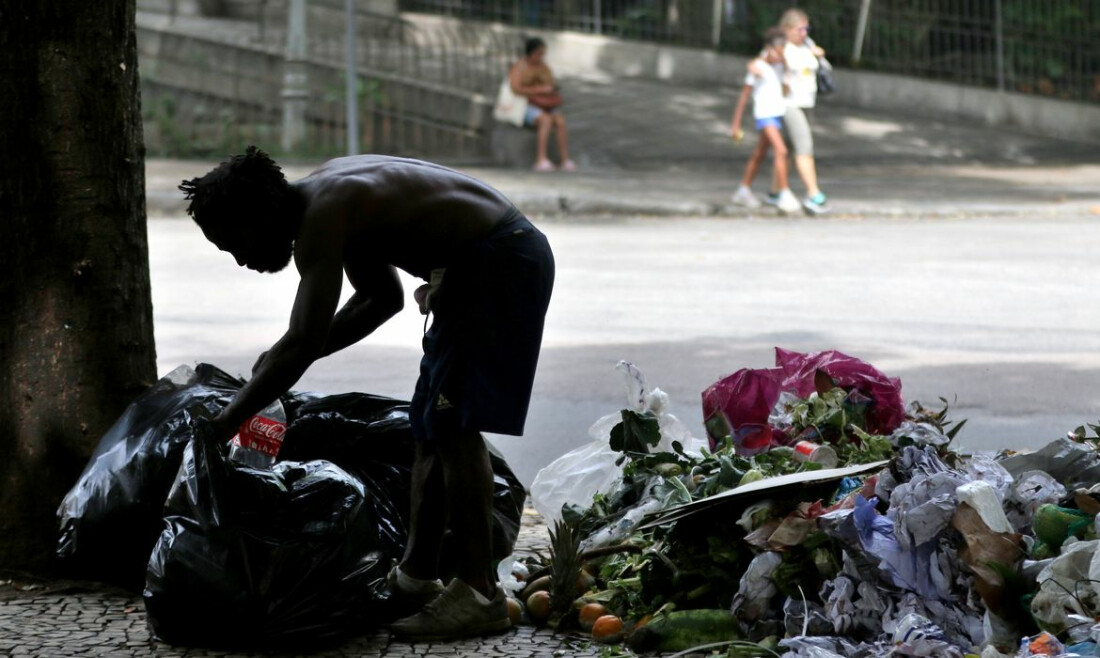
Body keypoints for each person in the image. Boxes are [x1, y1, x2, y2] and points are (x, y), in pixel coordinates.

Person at [179, 147, 555, 641]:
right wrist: (278, 362)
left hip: (499, 261)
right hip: (480, 264)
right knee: (430, 427)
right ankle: (416, 578)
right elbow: (381, 300)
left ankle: (480, 593)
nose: (241, 259)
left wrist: (227, 420)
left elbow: (305, 337)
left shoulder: (324, 213)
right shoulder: (332, 200)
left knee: (454, 426)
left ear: (258, 214)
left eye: (234, 242)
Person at [729, 28, 802, 214]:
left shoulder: (779, 67)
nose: (781, 53)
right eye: (778, 49)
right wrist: (736, 124)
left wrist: (785, 67)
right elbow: (744, 96)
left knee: (759, 153)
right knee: (781, 150)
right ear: (769, 48)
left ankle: (743, 190)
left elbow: (786, 91)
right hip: (764, 115)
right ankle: (784, 193)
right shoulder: (758, 67)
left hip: (776, 114)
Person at [768, 8, 830, 215]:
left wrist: (817, 55)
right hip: (789, 103)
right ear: (786, 29)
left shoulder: (807, 44)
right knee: (804, 147)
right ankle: (814, 194)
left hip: (806, 102)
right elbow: (785, 66)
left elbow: (822, 68)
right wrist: (809, 54)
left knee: (786, 150)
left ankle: (775, 191)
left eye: (806, 29)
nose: (804, 33)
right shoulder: (781, 48)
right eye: (799, 29)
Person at [509, 37, 576, 172]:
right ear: (531, 53)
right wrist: (538, 90)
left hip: (545, 104)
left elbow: (551, 84)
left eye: (542, 54)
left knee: (560, 121)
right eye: (538, 53)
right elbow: (516, 88)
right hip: (525, 105)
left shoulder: (544, 67)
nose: (541, 57)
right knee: (545, 120)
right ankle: (541, 159)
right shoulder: (519, 67)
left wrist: (548, 89)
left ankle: (565, 159)